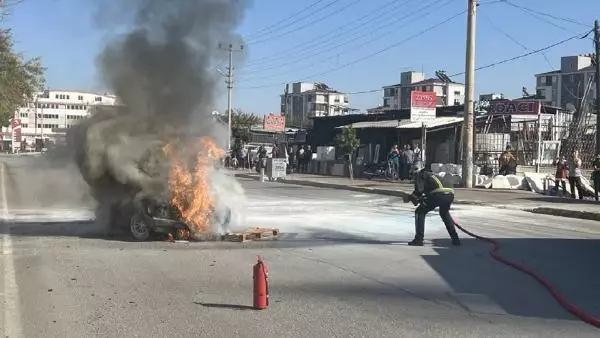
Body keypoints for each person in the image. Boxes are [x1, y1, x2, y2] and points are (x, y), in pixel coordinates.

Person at [403, 161, 461, 247]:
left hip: (438, 194)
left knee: (420, 212)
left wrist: (410, 198)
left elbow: (418, 193)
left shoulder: (420, 174)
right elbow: (424, 195)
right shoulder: (432, 175)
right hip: (450, 194)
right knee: (444, 213)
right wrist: (417, 199)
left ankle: (418, 239)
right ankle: (455, 239)